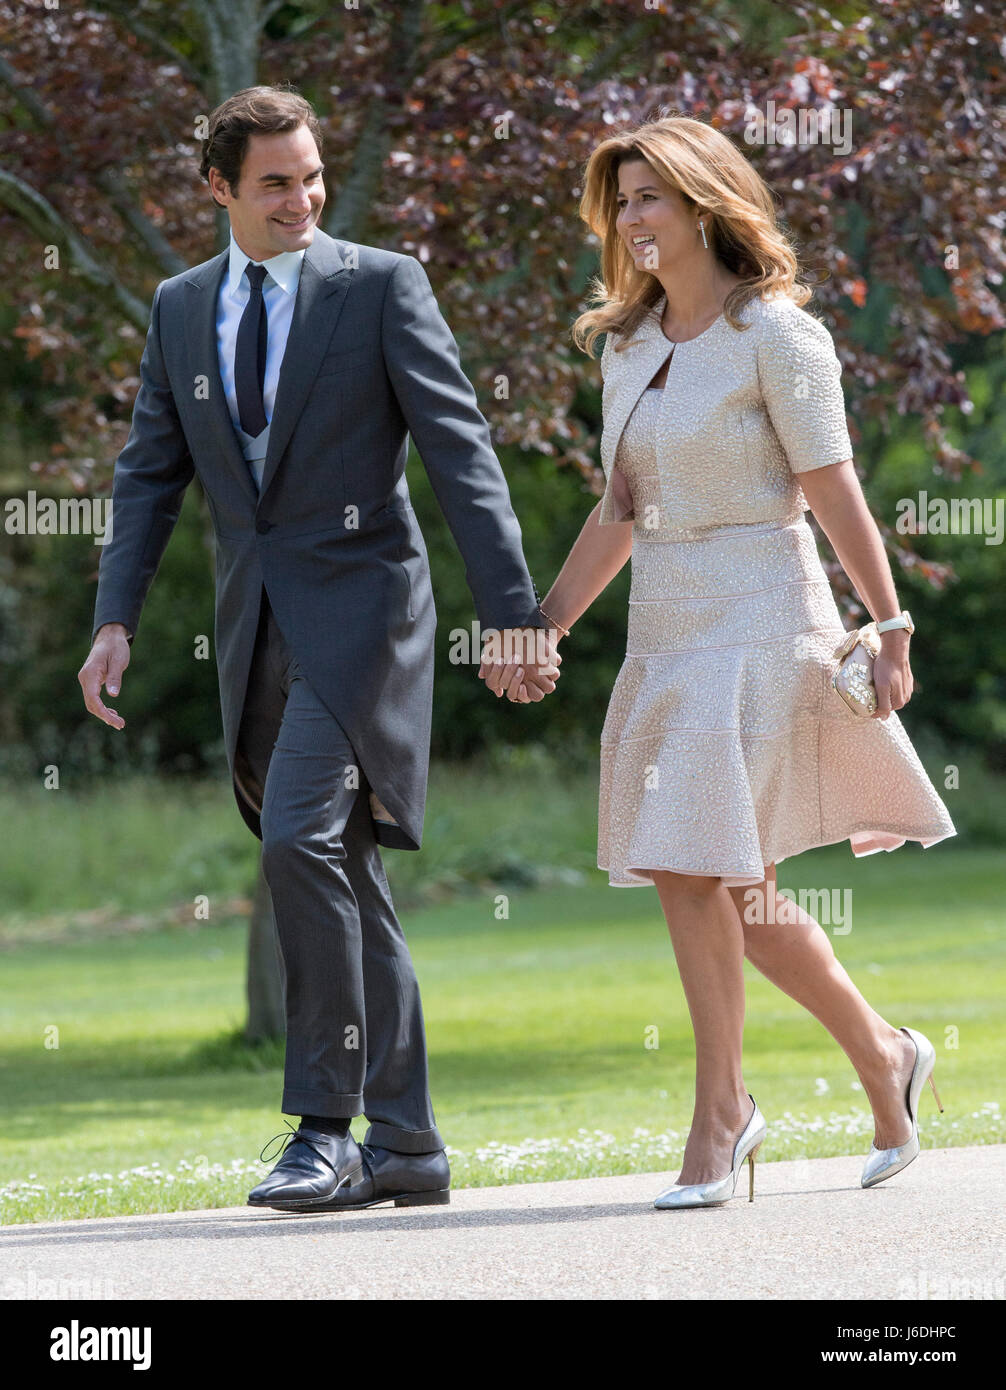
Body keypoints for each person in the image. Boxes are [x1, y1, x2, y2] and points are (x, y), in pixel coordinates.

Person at [78, 84, 560, 1213]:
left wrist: (511, 611)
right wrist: (115, 619)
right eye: (274, 183)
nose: (301, 199)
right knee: (341, 864)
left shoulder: (381, 285)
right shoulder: (179, 304)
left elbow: (461, 451)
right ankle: (409, 1143)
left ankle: (323, 1129)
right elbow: (149, 473)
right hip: (255, 626)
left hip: (368, 617)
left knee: (297, 838)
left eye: (312, 176)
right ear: (219, 189)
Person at [481, 113, 955, 1209]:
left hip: (759, 617)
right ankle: (885, 1057)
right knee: (727, 886)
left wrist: (887, 625)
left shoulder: (777, 337)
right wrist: (541, 627)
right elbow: (618, 508)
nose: (633, 219)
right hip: (667, 624)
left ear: (704, 203)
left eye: (650, 196)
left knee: (696, 869)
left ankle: (722, 1112)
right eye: (622, 201)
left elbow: (834, 490)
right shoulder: (626, 345)